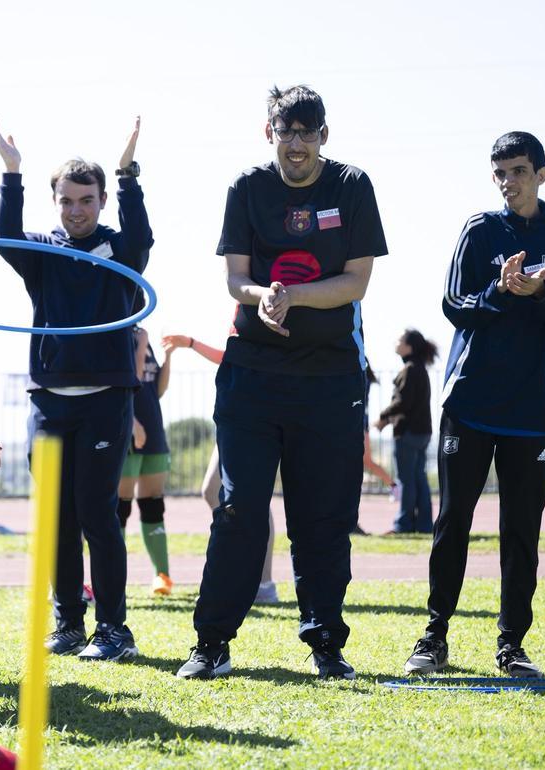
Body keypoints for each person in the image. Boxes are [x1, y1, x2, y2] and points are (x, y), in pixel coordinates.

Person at [176, 85, 386, 681]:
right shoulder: (247, 188)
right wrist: (263, 295)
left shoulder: (351, 186)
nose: (295, 143)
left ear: (324, 134)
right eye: (284, 130)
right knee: (239, 507)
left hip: (331, 377)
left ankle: (326, 645)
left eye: (306, 130)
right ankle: (211, 643)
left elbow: (355, 283)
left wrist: (292, 295)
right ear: (268, 132)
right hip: (253, 375)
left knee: (321, 517)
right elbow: (236, 280)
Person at [405, 131, 545, 679]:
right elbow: (452, 305)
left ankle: (511, 646)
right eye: (500, 173)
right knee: (452, 523)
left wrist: (539, 293)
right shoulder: (480, 230)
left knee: (521, 531)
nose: (508, 181)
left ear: (541, 174)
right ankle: (434, 637)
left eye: (517, 170)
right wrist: (499, 291)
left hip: (532, 410)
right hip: (470, 402)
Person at [0, 117, 151, 662]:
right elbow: (5, 241)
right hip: (51, 402)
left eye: (86, 199)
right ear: (55, 202)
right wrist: (12, 174)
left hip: (106, 399)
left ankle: (114, 630)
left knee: (96, 513)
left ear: (102, 200)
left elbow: (142, 240)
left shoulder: (119, 250)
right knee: (56, 518)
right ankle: (68, 624)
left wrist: (129, 174)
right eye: (66, 200)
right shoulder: (43, 251)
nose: (76, 209)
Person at [163, 330, 281, 604]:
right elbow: (230, 358)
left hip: (259, 411)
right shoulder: (244, 309)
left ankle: (263, 583)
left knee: (253, 498)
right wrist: (191, 344)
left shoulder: (266, 300)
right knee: (213, 490)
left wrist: (192, 343)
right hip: (238, 409)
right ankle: (249, 573)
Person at [119, 322, 173, 595]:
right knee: (119, 509)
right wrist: (131, 423)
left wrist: (169, 357)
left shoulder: (141, 335)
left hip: (153, 429)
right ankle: (111, 578)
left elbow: (156, 390)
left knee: (153, 504)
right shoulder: (122, 334)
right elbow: (131, 381)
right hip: (128, 428)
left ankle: (162, 575)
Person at [376, 329, 437, 534]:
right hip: (423, 433)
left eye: (400, 340)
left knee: (407, 481)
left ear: (409, 347)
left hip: (409, 433)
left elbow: (403, 403)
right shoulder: (420, 369)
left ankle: (403, 525)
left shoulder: (410, 370)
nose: (397, 342)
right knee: (419, 478)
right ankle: (425, 524)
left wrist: (382, 418)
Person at [363, 362, 397, 502]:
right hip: (359, 424)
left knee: (367, 460)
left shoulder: (360, 375)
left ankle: (395, 486)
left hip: (358, 424)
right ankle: (394, 486)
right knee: (365, 461)